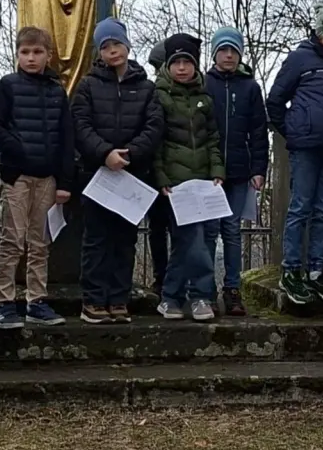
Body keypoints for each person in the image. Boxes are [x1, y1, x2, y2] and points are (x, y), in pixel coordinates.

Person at [72, 18, 165, 324]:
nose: (113, 51)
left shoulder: (146, 87)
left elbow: (154, 126)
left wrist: (130, 153)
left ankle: (118, 299)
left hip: (133, 175)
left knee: (125, 240)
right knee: (97, 239)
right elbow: (81, 126)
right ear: (99, 53)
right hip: (97, 175)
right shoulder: (87, 86)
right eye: (106, 46)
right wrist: (104, 153)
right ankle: (94, 300)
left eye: (117, 44)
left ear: (127, 45)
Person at [0, 26, 75, 329]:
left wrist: (64, 182)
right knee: (13, 239)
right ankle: (4, 302)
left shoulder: (56, 91)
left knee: (40, 242)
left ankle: (37, 300)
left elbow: (66, 138)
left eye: (37, 52)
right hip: (17, 176)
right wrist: (14, 146)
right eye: (25, 52)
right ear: (18, 55)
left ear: (48, 55)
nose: (31, 58)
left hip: (47, 178)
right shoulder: (8, 86)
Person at [267, 0, 323, 306]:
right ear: (321, 33)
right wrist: (293, 131)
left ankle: (318, 269)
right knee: (300, 207)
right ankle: (291, 269)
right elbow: (275, 102)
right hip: (305, 147)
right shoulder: (299, 60)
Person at [154, 33, 226, 322]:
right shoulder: (158, 96)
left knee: (193, 241)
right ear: (168, 66)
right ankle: (200, 295)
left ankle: (171, 297)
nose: (182, 68)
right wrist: (161, 178)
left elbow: (212, 139)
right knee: (193, 240)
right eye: (177, 62)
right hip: (175, 184)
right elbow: (156, 142)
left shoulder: (204, 98)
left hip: (204, 183)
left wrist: (217, 171)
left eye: (187, 62)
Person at [203, 26, 268, 317]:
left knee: (231, 231)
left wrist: (258, 168)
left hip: (240, 172)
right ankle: (204, 289)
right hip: (208, 172)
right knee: (207, 232)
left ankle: (232, 289)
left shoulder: (250, 87)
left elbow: (258, 131)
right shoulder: (204, 84)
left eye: (233, 50)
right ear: (215, 53)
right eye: (223, 50)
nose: (228, 55)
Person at [144, 41, 172, 292]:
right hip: (154, 169)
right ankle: (162, 276)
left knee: (170, 227)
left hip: (174, 169)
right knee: (158, 228)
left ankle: (168, 278)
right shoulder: (152, 92)